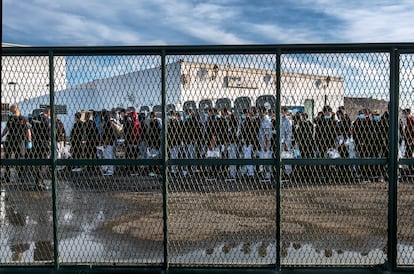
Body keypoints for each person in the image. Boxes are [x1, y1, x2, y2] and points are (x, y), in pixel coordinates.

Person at [1, 104, 32, 183]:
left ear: (15, 109)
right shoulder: (11, 119)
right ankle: (7, 177)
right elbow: (6, 129)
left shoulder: (23, 119)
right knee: (7, 157)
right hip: (10, 140)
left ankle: (21, 177)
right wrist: (1, 136)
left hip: (20, 141)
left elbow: (28, 130)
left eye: (11, 110)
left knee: (20, 158)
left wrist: (29, 140)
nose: (10, 112)